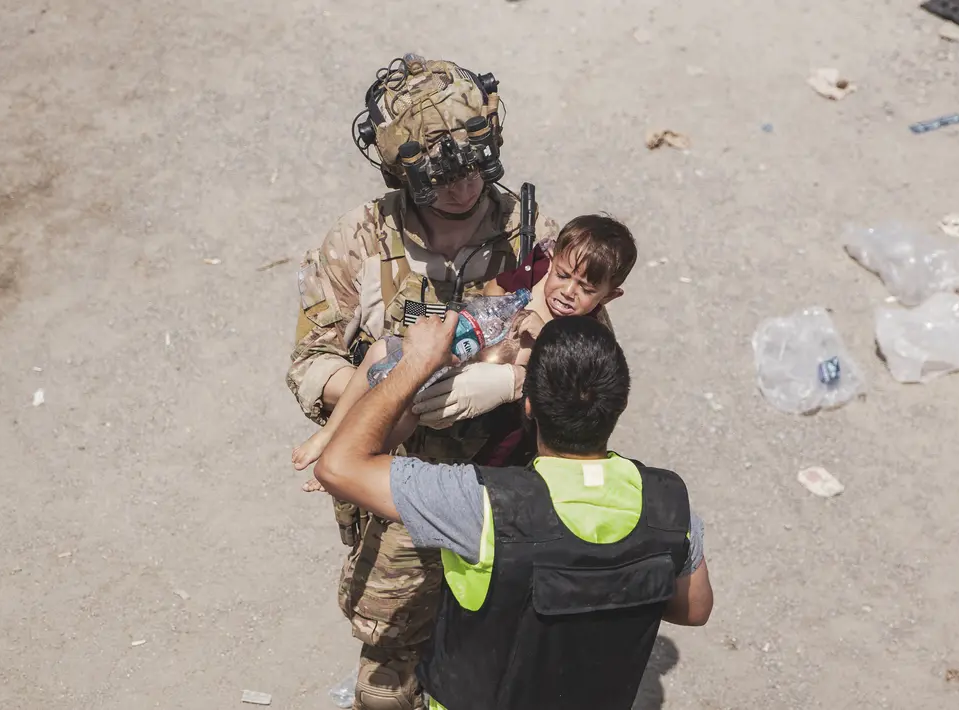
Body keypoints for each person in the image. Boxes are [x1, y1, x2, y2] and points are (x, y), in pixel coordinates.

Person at [287, 53, 563, 709]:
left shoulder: (533, 236)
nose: (463, 190)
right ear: (398, 172)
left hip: (504, 482)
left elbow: (591, 364)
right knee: (387, 665)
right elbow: (309, 360)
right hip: (394, 485)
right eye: (438, 179)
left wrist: (510, 384)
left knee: (502, 646)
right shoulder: (355, 242)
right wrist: (382, 384)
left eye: (473, 168)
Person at [314, 314, 714, 710]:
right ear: (621, 403)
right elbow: (695, 608)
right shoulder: (667, 504)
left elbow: (338, 466)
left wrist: (415, 365)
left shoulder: (480, 503)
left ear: (527, 406)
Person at [293, 214, 638, 486]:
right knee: (379, 353)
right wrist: (498, 311)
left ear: (609, 296)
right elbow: (495, 288)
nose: (568, 292)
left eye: (587, 289)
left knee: (411, 403)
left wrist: (534, 352)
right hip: (463, 350)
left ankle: (357, 459)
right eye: (563, 275)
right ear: (552, 257)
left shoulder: (584, 335)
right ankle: (329, 435)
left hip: (490, 437)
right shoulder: (537, 269)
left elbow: (575, 398)